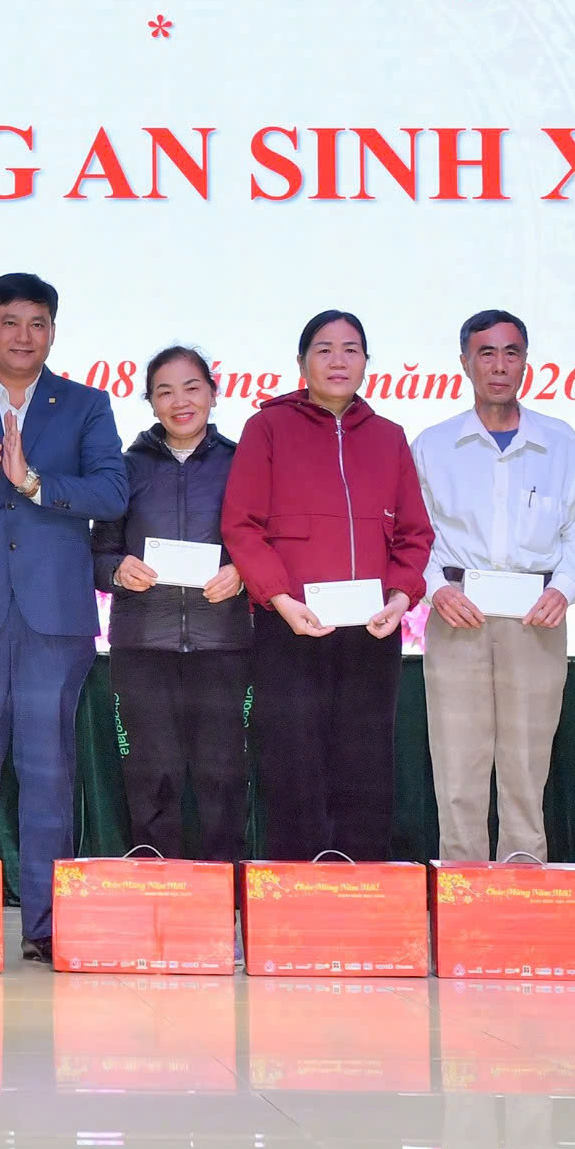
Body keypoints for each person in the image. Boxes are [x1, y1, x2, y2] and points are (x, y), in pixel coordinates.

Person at [0, 273, 129, 960]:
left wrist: (35, 482)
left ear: (53, 332)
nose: (23, 335)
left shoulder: (87, 404)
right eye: (9, 322)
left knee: (48, 771)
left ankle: (46, 925)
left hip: (53, 616)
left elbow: (113, 491)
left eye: (37, 323)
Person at [219, 309, 433, 863]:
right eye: (324, 349)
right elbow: (242, 525)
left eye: (351, 349)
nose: (338, 360)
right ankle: (296, 896)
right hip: (291, 626)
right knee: (292, 765)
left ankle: (362, 892)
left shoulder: (389, 437)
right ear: (301, 362)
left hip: (372, 630)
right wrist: (281, 600)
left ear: (366, 362)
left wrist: (399, 599)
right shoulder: (267, 428)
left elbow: (414, 534)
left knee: (366, 768)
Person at [412, 311, 575, 863]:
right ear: (465, 363)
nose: (499, 365)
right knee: (458, 771)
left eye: (511, 353)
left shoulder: (559, 442)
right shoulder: (434, 445)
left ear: (525, 363)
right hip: (457, 615)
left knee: (526, 770)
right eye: (486, 353)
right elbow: (415, 536)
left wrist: (563, 589)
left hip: (535, 618)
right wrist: (436, 590)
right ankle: (462, 888)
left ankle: (524, 888)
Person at [91, 346, 254, 863]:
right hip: (143, 647)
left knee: (223, 776)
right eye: (164, 391)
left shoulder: (244, 463)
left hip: (223, 645)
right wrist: (117, 570)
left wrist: (244, 573)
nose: (180, 401)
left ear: (213, 393)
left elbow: (266, 544)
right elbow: (97, 554)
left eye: (191, 387)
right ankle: (157, 889)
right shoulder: (124, 468)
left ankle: (224, 890)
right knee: (150, 777)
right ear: (150, 402)